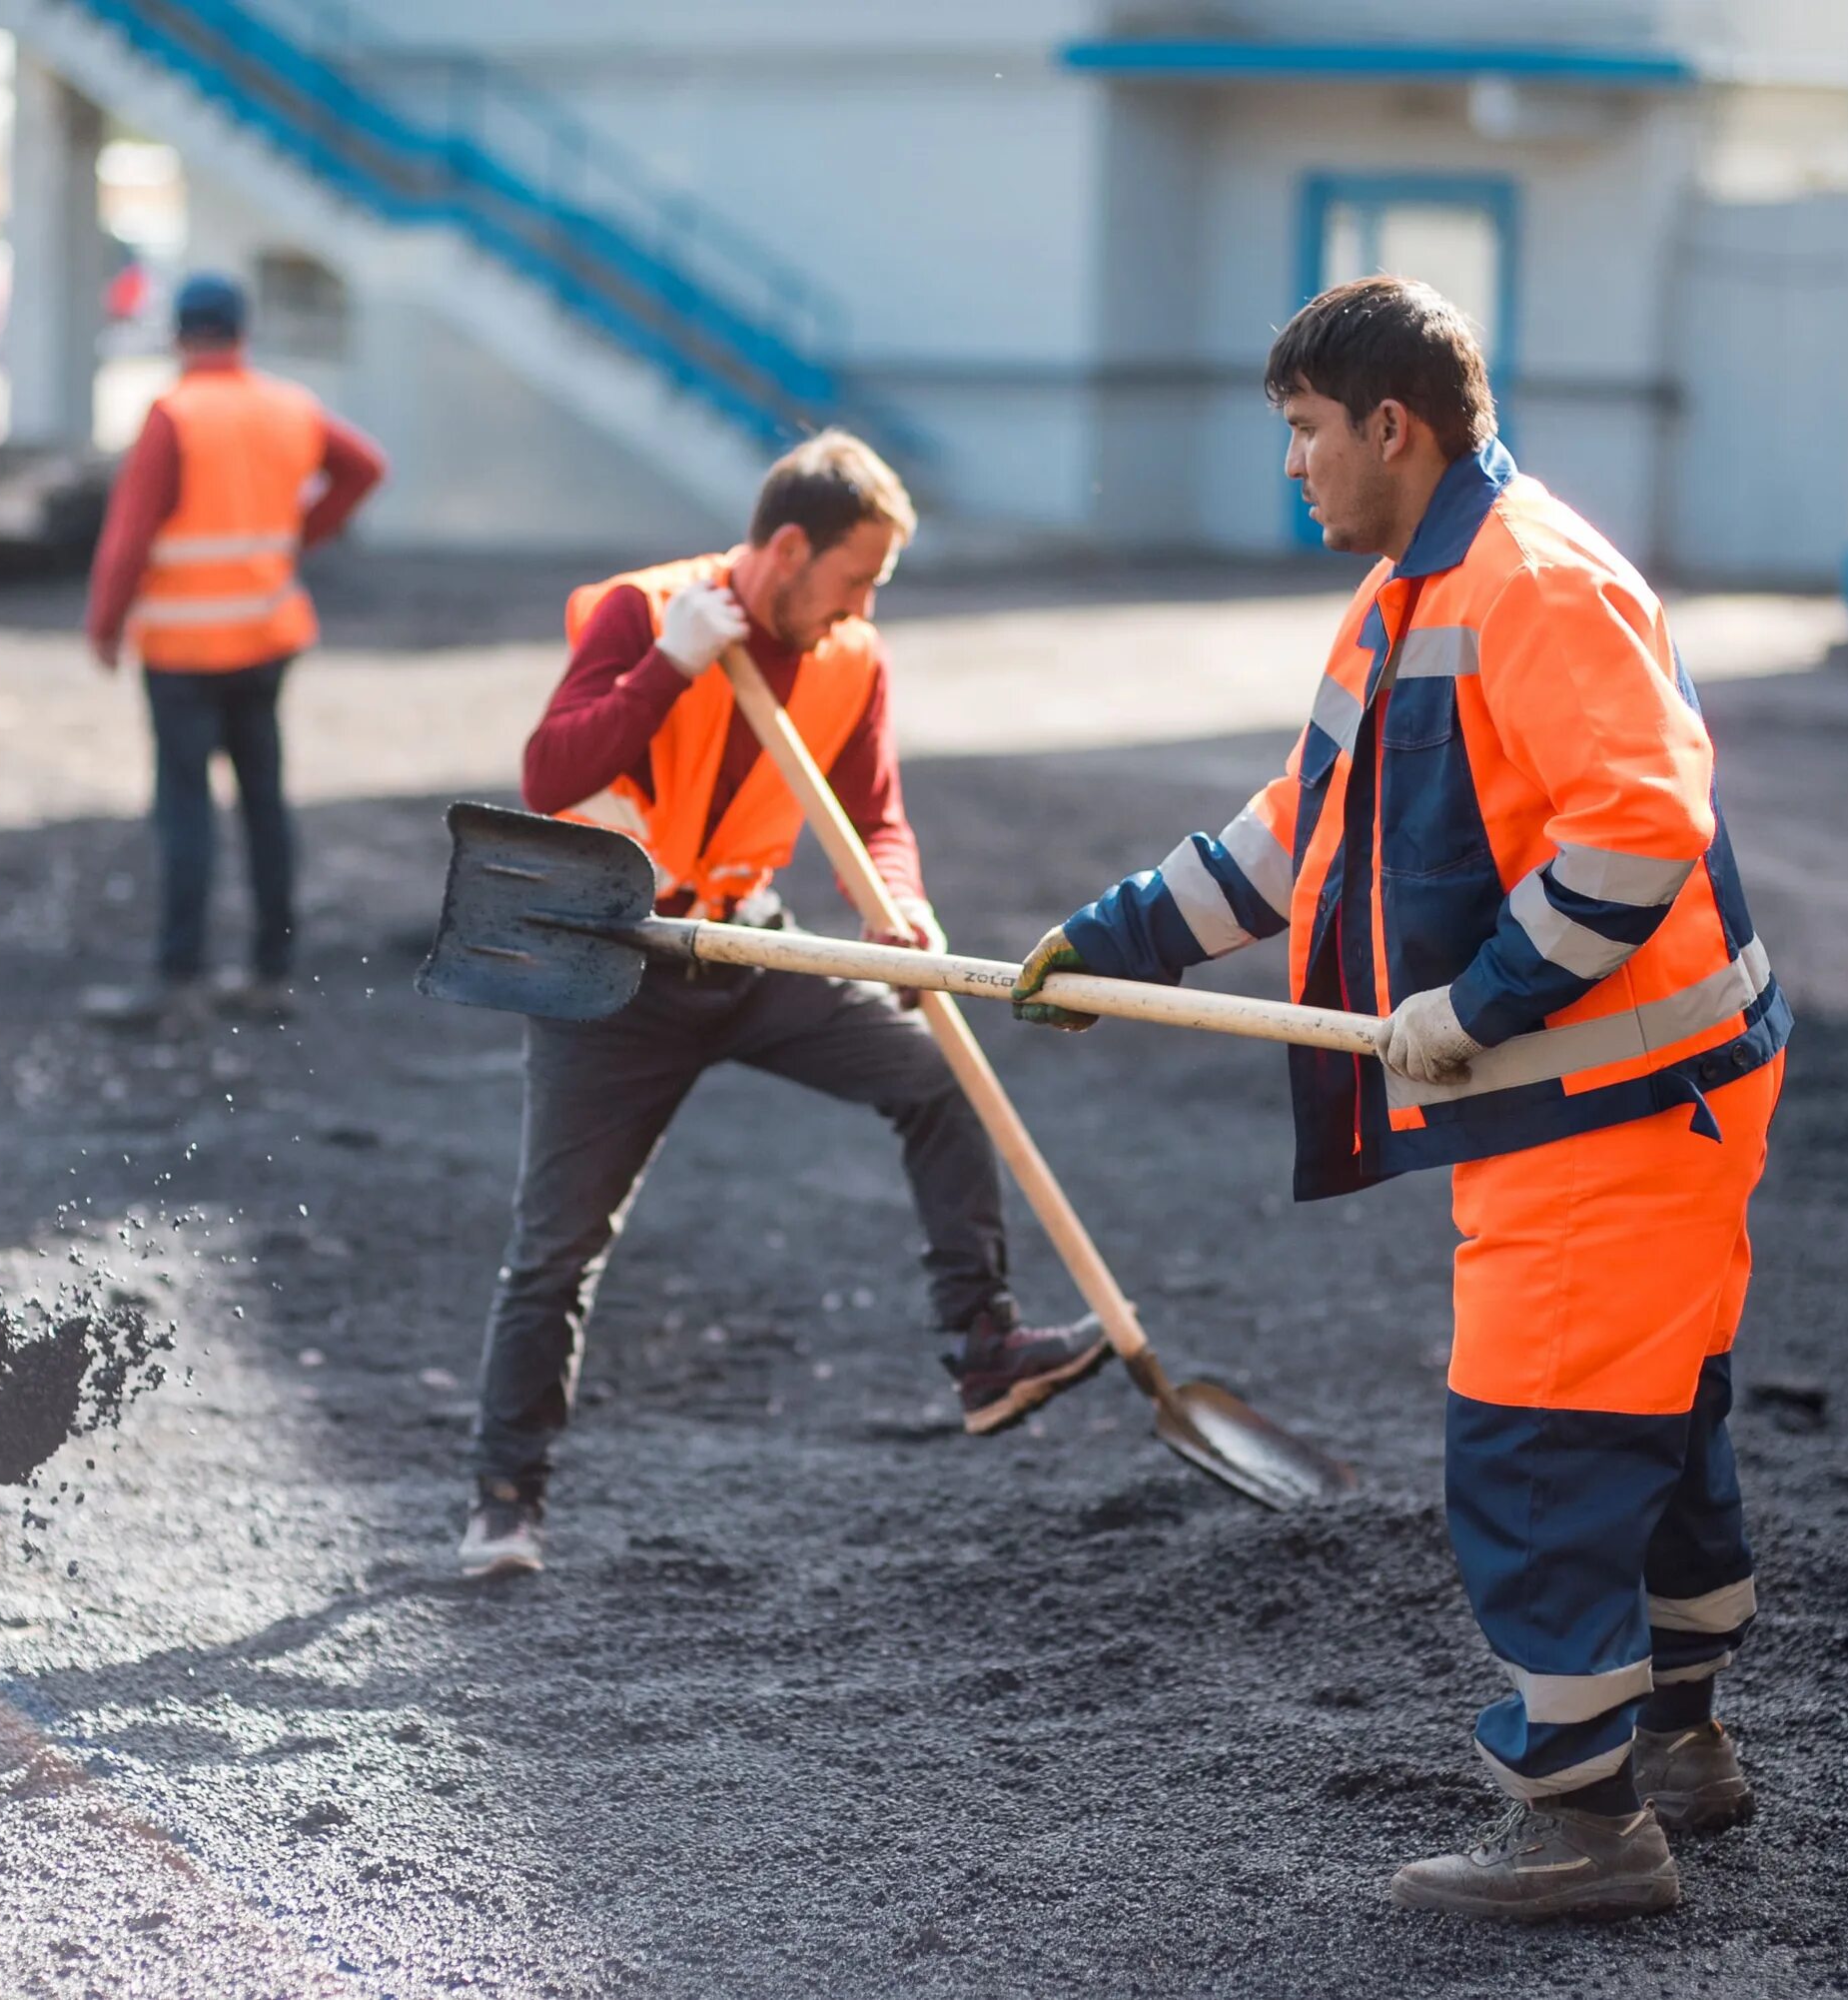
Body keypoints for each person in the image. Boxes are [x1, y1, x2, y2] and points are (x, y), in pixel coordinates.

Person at [1013, 278, 1788, 1921]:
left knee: (1538, 1444)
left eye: (1304, 431)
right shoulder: (1410, 592)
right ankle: (1680, 1753)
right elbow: (1305, 832)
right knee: (1643, 1420)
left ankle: (1587, 1827)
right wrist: (1110, 936)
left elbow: (1637, 832)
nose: (1291, 465)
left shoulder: (1532, 585)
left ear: (1393, 425)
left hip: (1615, 1104)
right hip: (1620, 1098)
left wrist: (1479, 1004)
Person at [460, 431, 1108, 1579]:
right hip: (616, 960)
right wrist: (666, 666)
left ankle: (983, 1348)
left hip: (747, 945)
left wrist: (899, 907)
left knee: (935, 1077)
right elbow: (548, 776)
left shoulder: (852, 654)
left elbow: (879, 816)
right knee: (558, 1246)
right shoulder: (644, 612)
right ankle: (506, 1499)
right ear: (791, 546)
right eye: (856, 577)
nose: (863, 605)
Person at [82, 273, 389, 1025]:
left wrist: (104, 625)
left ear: (182, 335)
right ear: (243, 332)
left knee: (185, 810)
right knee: (264, 804)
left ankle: (179, 980)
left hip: (184, 651)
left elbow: (128, 538)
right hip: (265, 639)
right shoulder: (289, 406)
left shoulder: (174, 415)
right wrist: (298, 540)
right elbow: (365, 468)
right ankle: (270, 971)